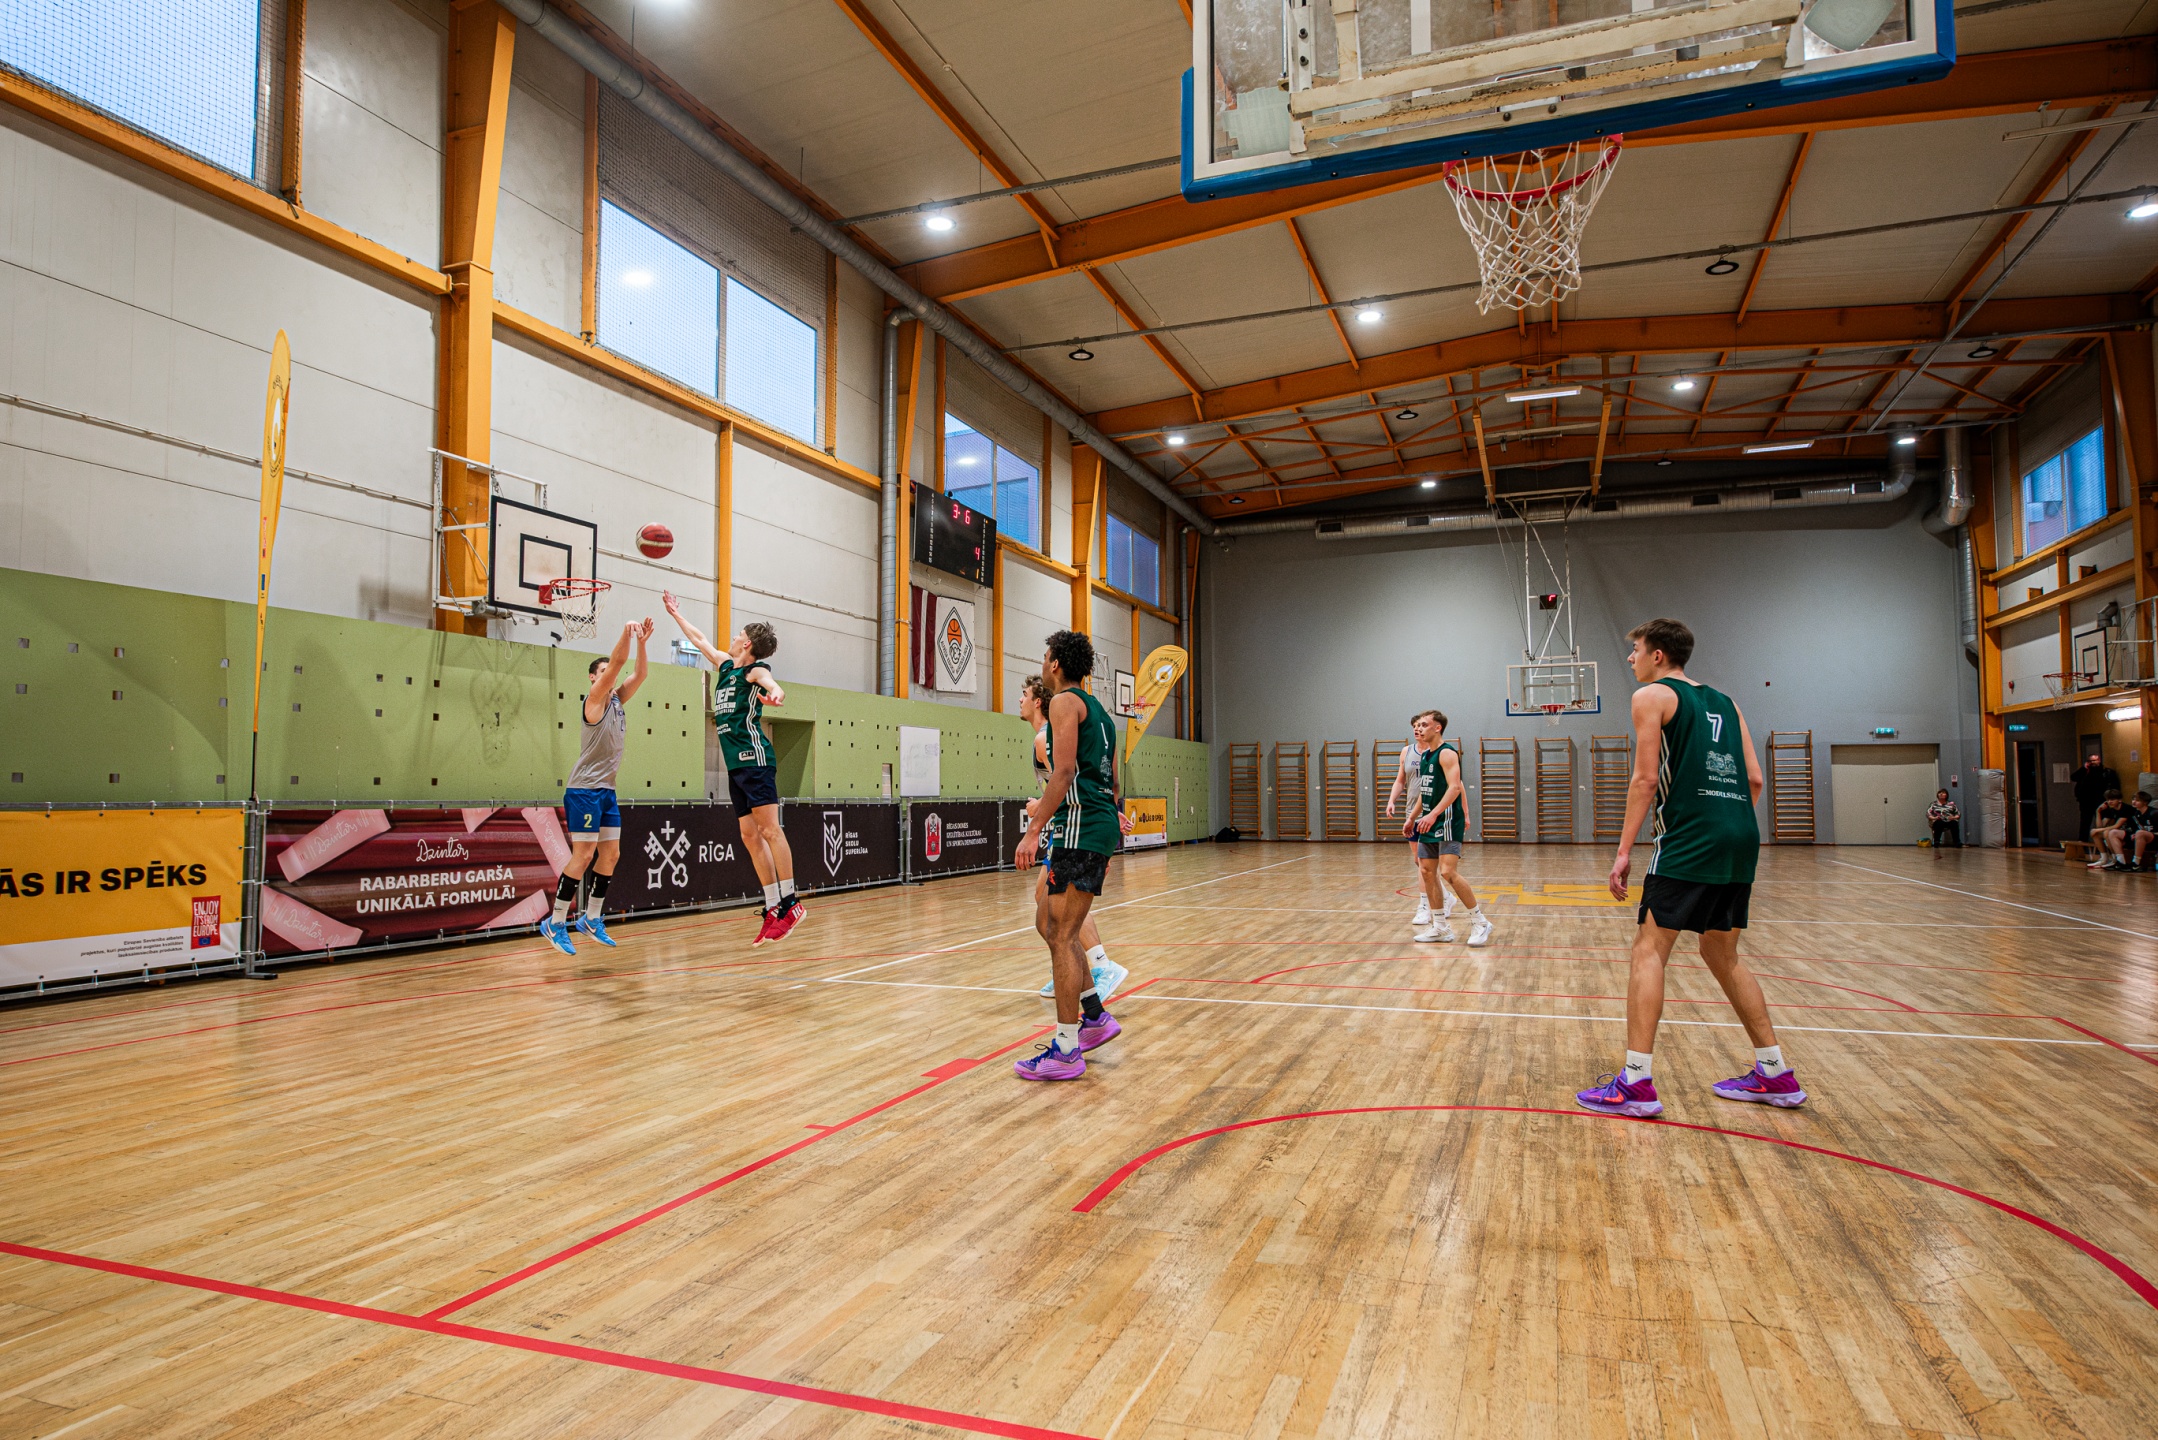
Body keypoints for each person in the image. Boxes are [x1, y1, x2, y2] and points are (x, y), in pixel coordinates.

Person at [1577, 618, 1805, 1117]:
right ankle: (1774, 1072)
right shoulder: (1727, 702)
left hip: (1689, 837)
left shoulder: (1652, 696)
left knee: (1649, 951)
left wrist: (1623, 851)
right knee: (1723, 954)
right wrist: (1726, 821)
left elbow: (1644, 780)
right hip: (1740, 835)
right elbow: (1754, 779)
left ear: (1658, 655)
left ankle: (1636, 1083)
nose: (1631, 658)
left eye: (1636, 649)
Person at [1012, 631, 1122, 1081]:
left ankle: (1066, 1048)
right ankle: (1093, 1014)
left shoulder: (1062, 702)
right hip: (1095, 824)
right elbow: (1112, 779)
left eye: (1045, 657)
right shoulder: (1101, 713)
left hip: (1081, 827)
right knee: (1048, 922)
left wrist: (1033, 830)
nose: (1043, 663)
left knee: (1060, 934)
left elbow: (1064, 771)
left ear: (1055, 664)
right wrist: (1112, 818)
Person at [664, 593, 802, 945]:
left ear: (747, 643)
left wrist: (776, 695)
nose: (733, 636)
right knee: (749, 836)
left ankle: (791, 902)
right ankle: (772, 905)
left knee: (769, 830)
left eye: (738, 633)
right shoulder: (726, 666)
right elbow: (700, 641)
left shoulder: (755, 671)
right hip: (735, 765)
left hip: (755, 760)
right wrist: (676, 614)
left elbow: (773, 685)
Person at [541, 618, 653, 956]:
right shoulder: (594, 700)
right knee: (584, 855)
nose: (611, 676)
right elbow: (618, 663)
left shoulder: (617, 700)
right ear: (593, 677)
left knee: (611, 854)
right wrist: (626, 632)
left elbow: (639, 674)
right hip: (584, 791)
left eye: (610, 673)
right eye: (603, 672)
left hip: (606, 791)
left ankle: (591, 918)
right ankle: (555, 921)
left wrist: (643, 643)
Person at [1019, 674, 1129, 1001]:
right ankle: (1072, 971)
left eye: (1024, 694)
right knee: (1048, 903)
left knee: (1059, 907)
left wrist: (1039, 810)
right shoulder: (1051, 731)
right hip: (1074, 821)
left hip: (1072, 825)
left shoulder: (1045, 737)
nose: (1020, 700)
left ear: (1038, 701)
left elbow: (1065, 779)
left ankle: (1097, 966)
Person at [1401, 709, 1492, 947]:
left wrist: (1433, 814)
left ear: (1437, 727)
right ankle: (1440, 927)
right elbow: (1425, 791)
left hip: (1447, 821)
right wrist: (1412, 818)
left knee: (1448, 872)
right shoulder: (1425, 756)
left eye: (1424, 724)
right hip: (1428, 821)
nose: (1419, 728)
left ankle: (1480, 922)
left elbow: (1454, 788)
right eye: (1418, 725)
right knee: (1426, 872)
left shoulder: (1447, 753)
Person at [1386, 725, 1452, 931]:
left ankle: (1424, 905)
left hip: (1433, 814)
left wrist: (1465, 813)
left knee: (1426, 864)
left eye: (1422, 726)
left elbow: (1455, 784)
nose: (1417, 730)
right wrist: (1392, 800)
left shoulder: (1441, 753)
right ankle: (1446, 896)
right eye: (1414, 727)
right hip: (1412, 812)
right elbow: (1400, 780)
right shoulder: (1406, 752)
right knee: (1419, 861)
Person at [2097, 791, 2151, 872]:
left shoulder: (2153, 812)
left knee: (2140, 833)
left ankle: (2136, 863)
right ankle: (2120, 862)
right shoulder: (2136, 812)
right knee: (2112, 832)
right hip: (2136, 835)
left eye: (2137, 800)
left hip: (2151, 837)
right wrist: (2098, 812)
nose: (2133, 802)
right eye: (2133, 800)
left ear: (2145, 802)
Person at [2073, 754, 2121, 842]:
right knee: (2085, 822)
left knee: (2102, 821)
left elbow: (2114, 786)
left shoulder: (2107, 772)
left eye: (2095, 760)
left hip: (2101, 800)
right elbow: (2073, 777)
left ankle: (2102, 842)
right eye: (2091, 761)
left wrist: (2110, 799)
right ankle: (2082, 841)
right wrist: (2084, 768)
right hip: (2086, 801)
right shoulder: (2086, 772)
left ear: (2099, 760)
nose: (2093, 763)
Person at [2086, 789, 2126, 869]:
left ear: (2120, 800)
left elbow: (2116, 826)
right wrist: (2098, 812)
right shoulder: (2111, 810)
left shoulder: (2125, 808)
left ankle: (2115, 859)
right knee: (2096, 833)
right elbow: (2100, 826)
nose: (2109, 802)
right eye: (2108, 800)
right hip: (2117, 833)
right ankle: (2104, 858)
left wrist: (2098, 830)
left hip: (2129, 833)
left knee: (2107, 832)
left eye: (2112, 799)